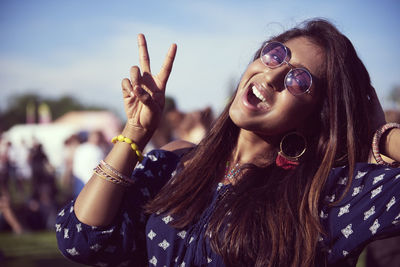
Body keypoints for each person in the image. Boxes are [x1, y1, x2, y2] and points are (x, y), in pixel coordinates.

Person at [55, 19, 400, 267]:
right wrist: (134, 134)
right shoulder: (174, 163)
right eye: (276, 55)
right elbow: (80, 240)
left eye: (299, 80)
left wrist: (379, 136)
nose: (274, 75)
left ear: (318, 116)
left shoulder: (324, 194)